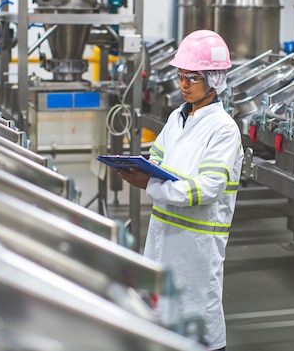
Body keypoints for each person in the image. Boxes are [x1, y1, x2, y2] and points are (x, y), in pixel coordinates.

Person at [116, 29, 243, 351]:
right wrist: (141, 168)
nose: (184, 84)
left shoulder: (223, 129)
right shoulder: (178, 117)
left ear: (214, 80)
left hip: (197, 243)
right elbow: (158, 157)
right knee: (163, 315)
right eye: (181, 76)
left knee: (199, 317)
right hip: (163, 231)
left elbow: (207, 189)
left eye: (193, 77)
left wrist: (152, 185)